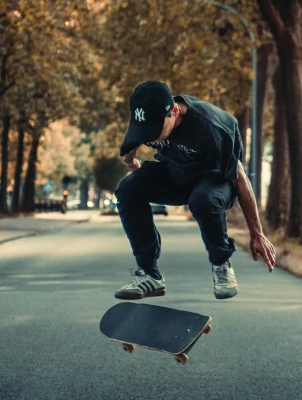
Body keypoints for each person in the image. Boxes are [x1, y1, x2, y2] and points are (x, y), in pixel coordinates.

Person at [114, 80, 276, 300]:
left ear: (174, 111)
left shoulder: (212, 126)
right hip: (177, 175)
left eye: (155, 130)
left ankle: (221, 265)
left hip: (218, 181)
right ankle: (150, 275)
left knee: (203, 199)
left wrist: (257, 233)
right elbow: (130, 147)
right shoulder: (147, 120)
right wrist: (132, 162)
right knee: (127, 189)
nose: (150, 137)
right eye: (145, 132)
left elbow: (240, 178)